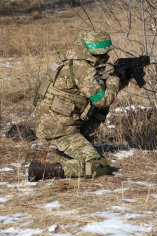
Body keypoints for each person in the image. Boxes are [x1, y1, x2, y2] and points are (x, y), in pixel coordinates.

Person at [28, 30, 127, 181]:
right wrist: (115, 78)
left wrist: (122, 79)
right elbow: (103, 100)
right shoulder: (83, 69)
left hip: (51, 122)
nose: (106, 58)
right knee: (99, 167)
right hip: (61, 129)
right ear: (93, 53)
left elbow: (97, 93)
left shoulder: (70, 60)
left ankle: (82, 139)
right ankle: (42, 170)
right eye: (102, 55)